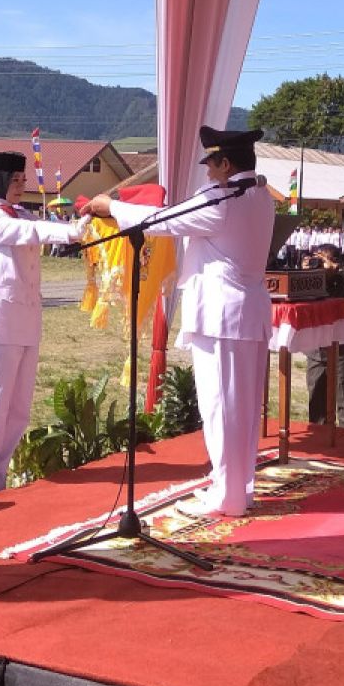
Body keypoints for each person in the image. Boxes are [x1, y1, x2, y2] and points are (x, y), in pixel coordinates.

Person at [83, 126, 274, 517]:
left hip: (220, 317)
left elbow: (165, 219)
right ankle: (241, 489)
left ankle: (228, 496)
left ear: (225, 163)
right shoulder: (261, 197)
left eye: (211, 165)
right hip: (249, 313)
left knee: (221, 405)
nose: (207, 174)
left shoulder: (222, 199)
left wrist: (113, 207)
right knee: (245, 407)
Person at [0, 151, 87, 499]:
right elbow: (30, 231)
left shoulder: (18, 213)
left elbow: (37, 226)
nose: (21, 186)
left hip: (26, 321)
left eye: (22, 180)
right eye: (15, 181)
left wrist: (78, 228)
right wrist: (71, 232)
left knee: (18, 410)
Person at [305, 243, 344, 429]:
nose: (320, 265)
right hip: (316, 347)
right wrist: (306, 271)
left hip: (341, 347)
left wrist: (337, 269)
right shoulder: (311, 282)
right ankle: (318, 434)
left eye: (324, 259)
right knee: (317, 397)